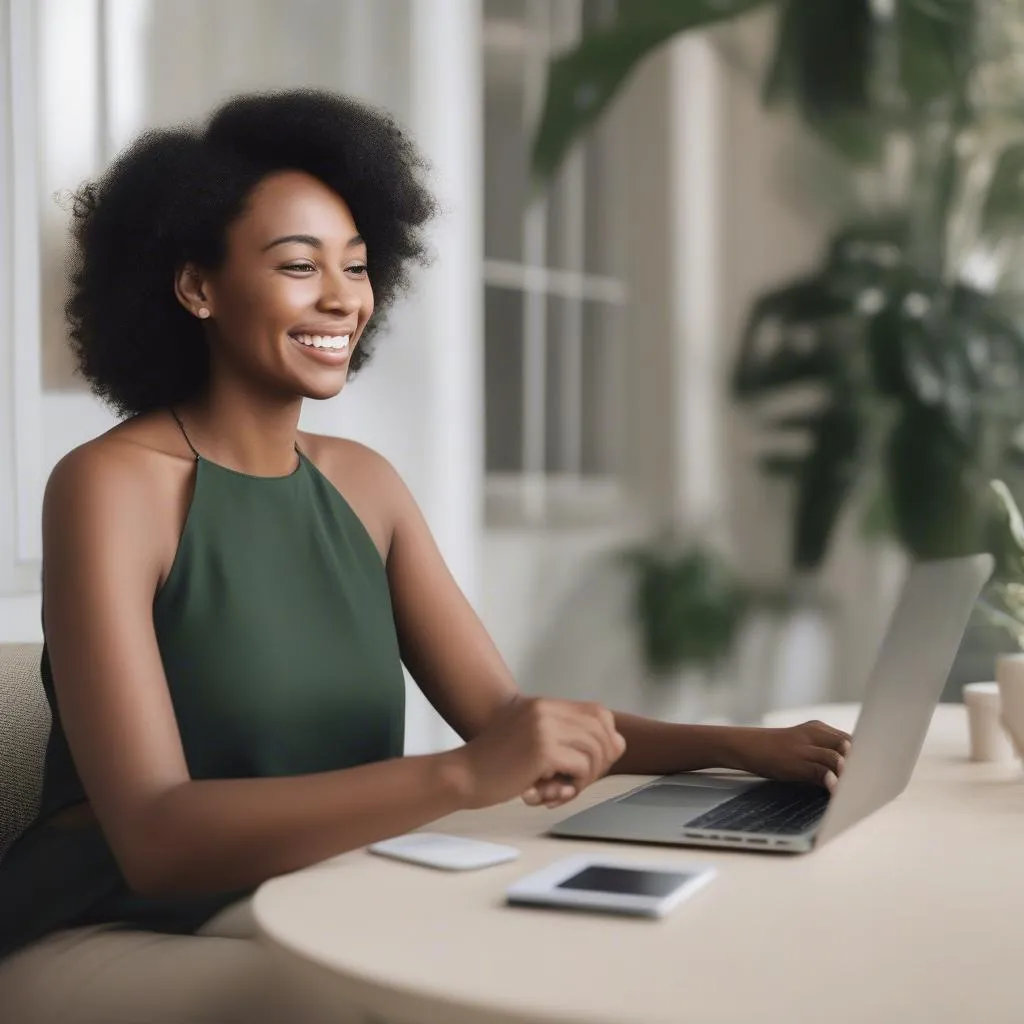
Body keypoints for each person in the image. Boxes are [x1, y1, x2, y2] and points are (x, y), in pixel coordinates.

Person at [0, 88, 851, 1021]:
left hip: (309, 897)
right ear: (196, 285)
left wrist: (744, 747)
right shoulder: (111, 486)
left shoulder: (362, 485)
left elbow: (507, 720)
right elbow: (158, 838)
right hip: (111, 927)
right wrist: (456, 777)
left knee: (589, 960)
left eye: (358, 267)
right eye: (298, 265)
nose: (341, 298)